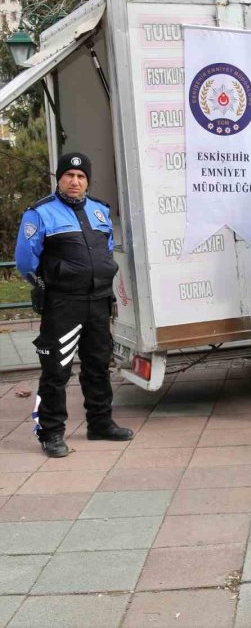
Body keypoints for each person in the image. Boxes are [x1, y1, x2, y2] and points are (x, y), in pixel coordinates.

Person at [14, 153, 133, 458]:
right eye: (69, 175)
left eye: (81, 177)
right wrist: (44, 285)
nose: (75, 181)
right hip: (64, 304)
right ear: (59, 179)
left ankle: (100, 423)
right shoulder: (40, 213)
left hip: (98, 301)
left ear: (87, 181)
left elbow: (106, 249)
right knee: (56, 370)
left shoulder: (99, 211)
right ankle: (51, 432)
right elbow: (26, 260)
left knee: (97, 365)